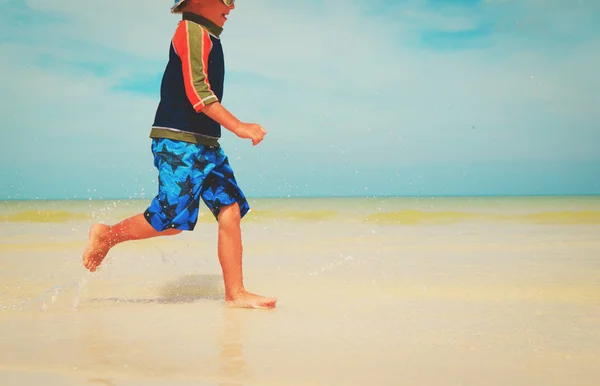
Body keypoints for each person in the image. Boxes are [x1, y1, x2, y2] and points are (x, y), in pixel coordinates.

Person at [81, 0, 277, 309]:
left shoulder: (208, 35)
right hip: (179, 142)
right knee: (171, 221)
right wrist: (240, 127)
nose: (232, 5)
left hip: (205, 143)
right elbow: (199, 94)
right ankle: (107, 236)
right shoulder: (191, 31)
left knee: (230, 209)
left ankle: (235, 293)